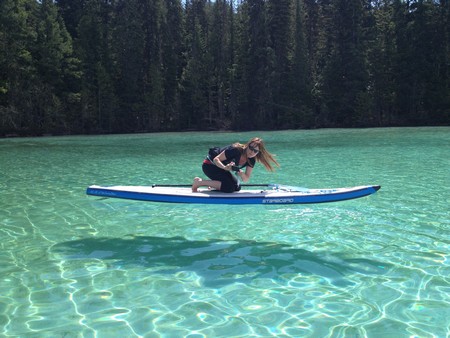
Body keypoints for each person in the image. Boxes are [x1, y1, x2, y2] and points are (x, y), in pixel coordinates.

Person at [192, 137, 279, 193]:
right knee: (229, 188)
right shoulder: (236, 149)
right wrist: (225, 167)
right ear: (247, 146)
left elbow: (246, 179)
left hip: (222, 169)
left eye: (255, 151)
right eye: (251, 148)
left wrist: (241, 173)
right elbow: (216, 159)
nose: (252, 152)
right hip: (209, 165)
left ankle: (214, 184)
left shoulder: (252, 160)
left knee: (237, 187)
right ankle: (198, 182)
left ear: (258, 153)